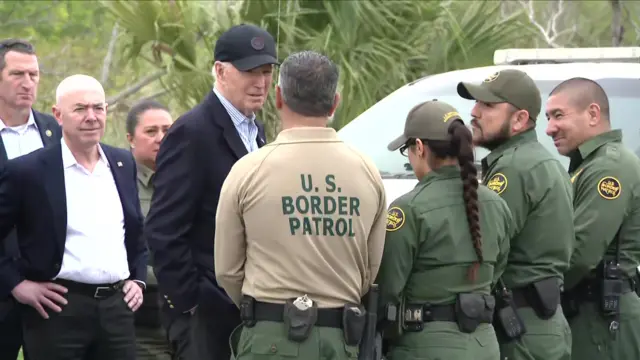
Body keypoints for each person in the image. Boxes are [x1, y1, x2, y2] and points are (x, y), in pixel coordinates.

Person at [214, 50, 387, 360]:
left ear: (278, 97)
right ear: (335, 102)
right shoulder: (367, 170)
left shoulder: (248, 170)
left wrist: (266, 306)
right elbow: (369, 271)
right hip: (339, 338)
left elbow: (227, 270)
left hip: (268, 338)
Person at [144, 23, 278, 360]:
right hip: (204, 314)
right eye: (250, 71)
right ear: (220, 71)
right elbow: (163, 229)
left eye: (266, 71)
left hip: (248, 308)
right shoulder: (192, 132)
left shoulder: (255, 129)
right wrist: (190, 303)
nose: (261, 82)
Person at [0, 74, 147, 360]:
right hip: (57, 311)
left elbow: (135, 231)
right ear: (58, 115)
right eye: (80, 109)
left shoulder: (122, 162)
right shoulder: (29, 172)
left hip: (117, 311)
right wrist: (17, 284)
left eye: (98, 108)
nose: (91, 117)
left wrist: (138, 279)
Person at [376, 99, 512, 360]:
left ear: (419, 147)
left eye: (407, 149)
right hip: (484, 346)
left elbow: (388, 289)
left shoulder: (408, 209)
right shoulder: (497, 204)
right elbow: (497, 271)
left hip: (425, 347)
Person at [456, 69, 573, 359]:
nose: (474, 112)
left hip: (521, 329)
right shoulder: (543, 162)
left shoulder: (514, 168)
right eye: (476, 103)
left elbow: (483, 251)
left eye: (487, 105)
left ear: (520, 119)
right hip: (540, 323)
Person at [546, 77, 640, 360]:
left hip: (602, 321)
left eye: (558, 115)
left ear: (593, 114)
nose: (550, 128)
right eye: (548, 117)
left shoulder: (608, 167)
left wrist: (530, 296)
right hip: (586, 314)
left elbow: (580, 254)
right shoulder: (586, 167)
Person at [0, 38, 62, 360]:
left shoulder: (55, 131)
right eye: (17, 74)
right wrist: (12, 282)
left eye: (34, 75)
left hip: (53, 294)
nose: (28, 83)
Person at [125, 99, 174, 360]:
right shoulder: (117, 181)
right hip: (141, 316)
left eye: (167, 130)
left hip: (187, 314)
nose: (161, 138)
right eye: (151, 131)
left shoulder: (186, 178)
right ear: (131, 139)